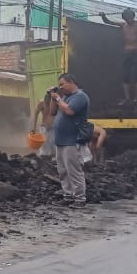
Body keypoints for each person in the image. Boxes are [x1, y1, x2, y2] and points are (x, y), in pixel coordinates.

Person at [52, 72, 90, 206]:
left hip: (72, 140)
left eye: (62, 84)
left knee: (74, 170)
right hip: (60, 140)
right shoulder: (66, 98)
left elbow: (70, 111)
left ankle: (80, 199)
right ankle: (68, 196)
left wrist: (58, 99)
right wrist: (53, 98)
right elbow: (52, 112)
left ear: (71, 82)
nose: (61, 88)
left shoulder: (80, 97)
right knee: (62, 170)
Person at [100, 8, 137, 103]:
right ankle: (127, 98)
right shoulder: (123, 25)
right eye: (127, 17)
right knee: (125, 75)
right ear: (125, 18)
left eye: (130, 17)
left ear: (133, 16)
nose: (129, 19)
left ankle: (135, 98)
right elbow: (108, 21)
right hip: (127, 53)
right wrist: (103, 15)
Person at [32, 87, 59, 158]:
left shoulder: (57, 102)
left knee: (55, 148)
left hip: (54, 128)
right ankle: (43, 163)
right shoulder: (42, 103)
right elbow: (35, 114)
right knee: (44, 149)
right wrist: (33, 128)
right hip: (44, 128)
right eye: (49, 93)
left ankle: (53, 165)